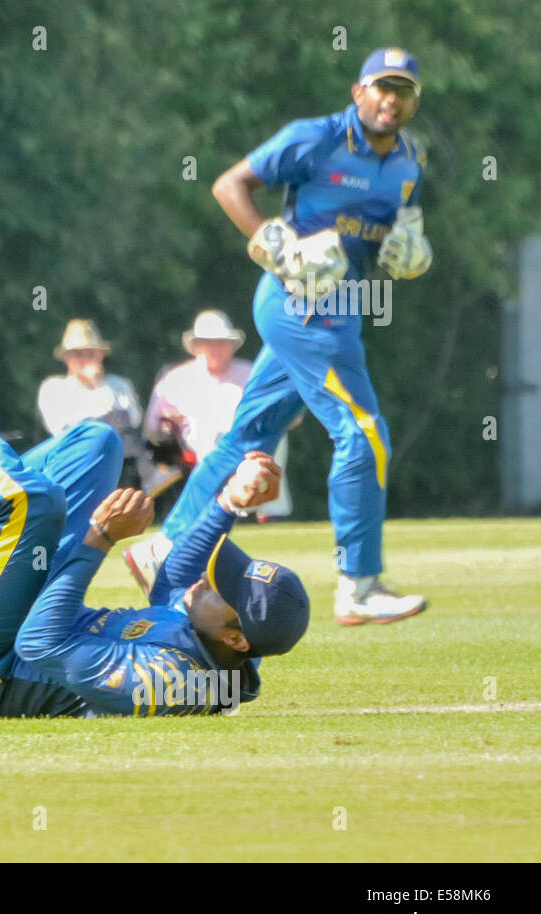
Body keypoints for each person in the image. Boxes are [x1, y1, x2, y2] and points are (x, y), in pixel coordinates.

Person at [0, 304, 309, 718]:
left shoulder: (179, 680)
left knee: (28, 502)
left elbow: (41, 645)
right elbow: (177, 572)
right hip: (20, 617)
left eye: (220, 589)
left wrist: (99, 537)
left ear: (238, 639)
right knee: (96, 443)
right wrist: (228, 502)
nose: (206, 581)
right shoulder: (222, 640)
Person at [125, 48, 432, 625]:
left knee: (251, 434)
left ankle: (166, 550)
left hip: (345, 307)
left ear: (415, 99)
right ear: (358, 90)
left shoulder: (409, 162)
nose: (392, 99)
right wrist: (277, 243)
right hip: (302, 305)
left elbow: (395, 235)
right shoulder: (314, 138)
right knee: (364, 433)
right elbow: (228, 186)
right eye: (381, 87)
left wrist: (403, 249)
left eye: (404, 90)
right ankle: (359, 582)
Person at [143, 308, 294, 519]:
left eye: (221, 342)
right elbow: (152, 428)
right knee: (213, 434)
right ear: (196, 347)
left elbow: (287, 415)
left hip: (249, 442)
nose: (215, 349)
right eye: (208, 343)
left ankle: (271, 513)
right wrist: (168, 423)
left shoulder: (251, 374)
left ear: (231, 346)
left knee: (277, 437)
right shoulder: (175, 380)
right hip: (197, 447)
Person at [38, 318, 177, 497]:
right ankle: (149, 474)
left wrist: (99, 386)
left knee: (120, 419)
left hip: (117, 449)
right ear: (67, 358)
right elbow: (58, 425)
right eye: (78, 354)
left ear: (100, 355)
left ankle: (145, 478)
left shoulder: (118, 385)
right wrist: (101, 411)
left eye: (90, 354)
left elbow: (134, 419)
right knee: (117, 417)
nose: (85, 360)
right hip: (76, 449)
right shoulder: (54, 387)